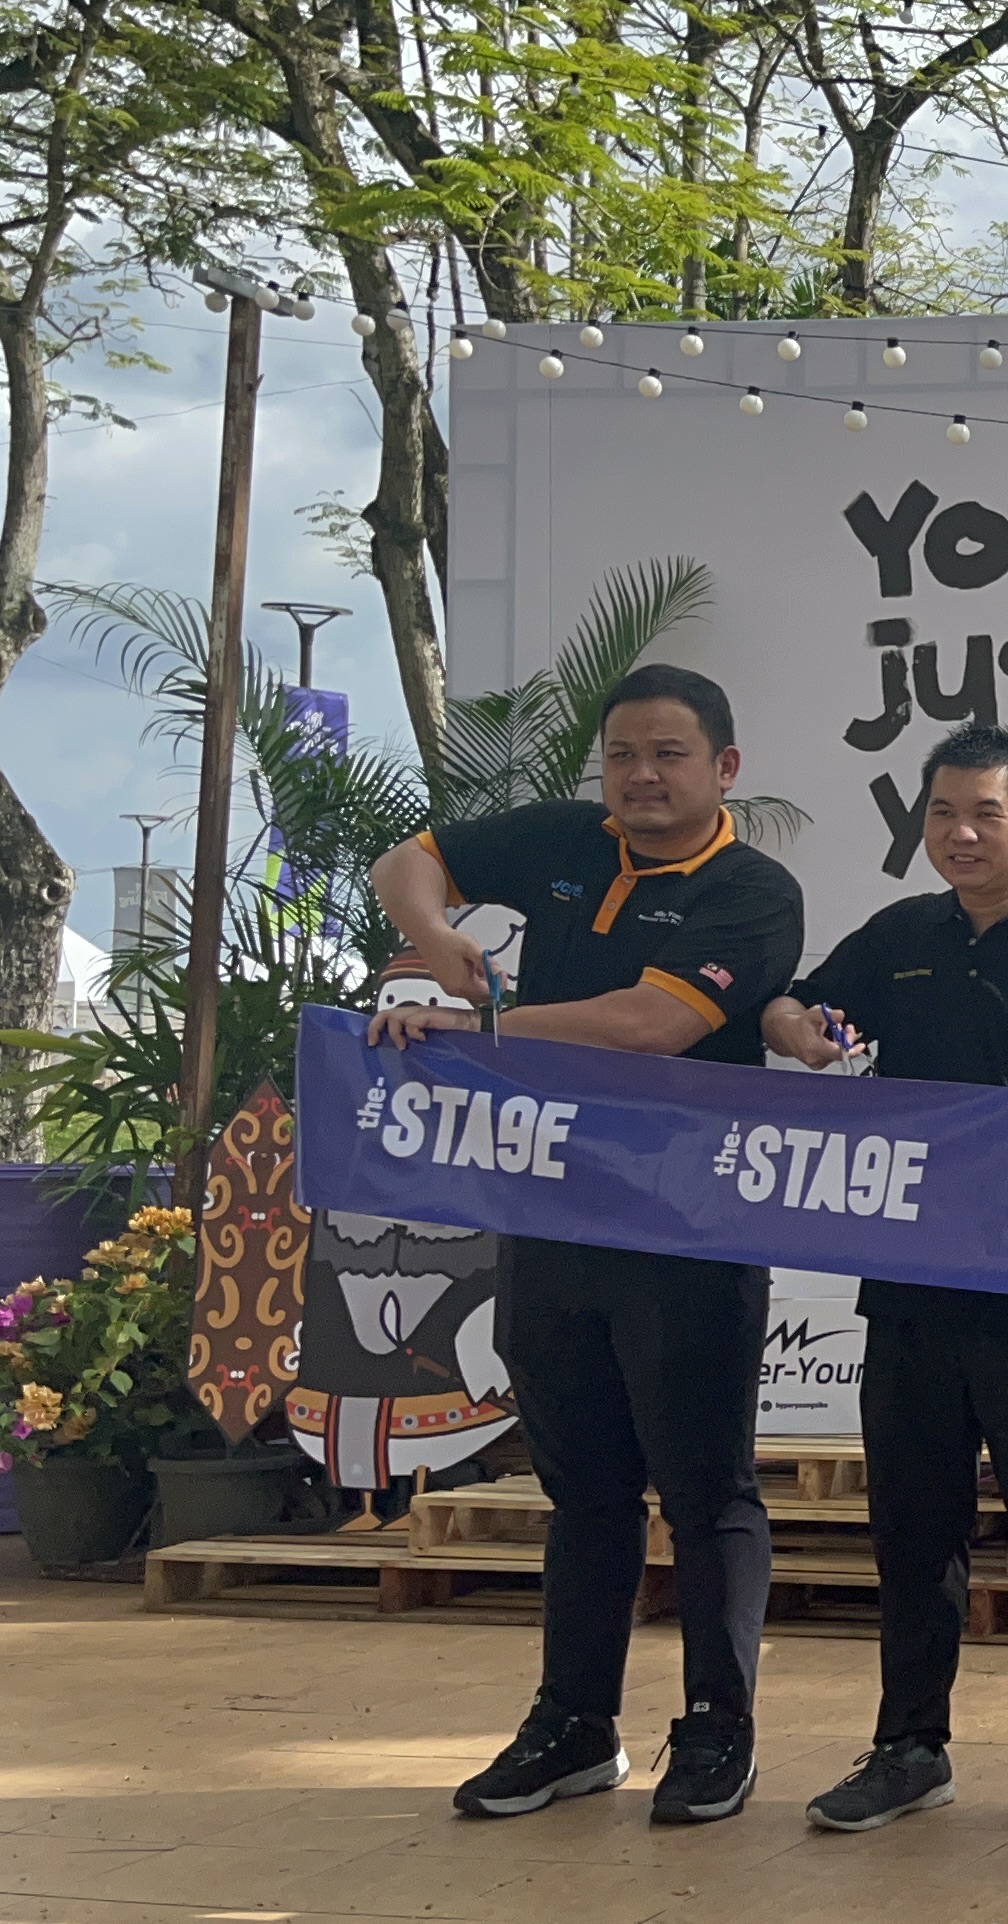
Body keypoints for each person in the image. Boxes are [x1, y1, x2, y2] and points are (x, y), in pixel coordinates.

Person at [367, 662, 805, 1825]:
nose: (640, 776)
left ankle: (716, 1729)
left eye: (668, 754)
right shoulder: (567, 839)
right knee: (583, 1487)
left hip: (685, 1226)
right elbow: (406, 862)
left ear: (724, 768)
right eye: (621, 755)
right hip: (550, 1214)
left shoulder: (754, 892)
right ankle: (573, 1725)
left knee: (705, 1489)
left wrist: (481, 1025)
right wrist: (433, 936)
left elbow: (650, 1025)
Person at [757, 722, 1008, 1845]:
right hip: (909, 1284)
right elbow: (791, 1007)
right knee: (911, 1529)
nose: (961, 833)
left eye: (985, 813)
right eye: (941, 813)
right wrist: (801, 1031)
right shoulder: (899, 937)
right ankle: (909, 1748)